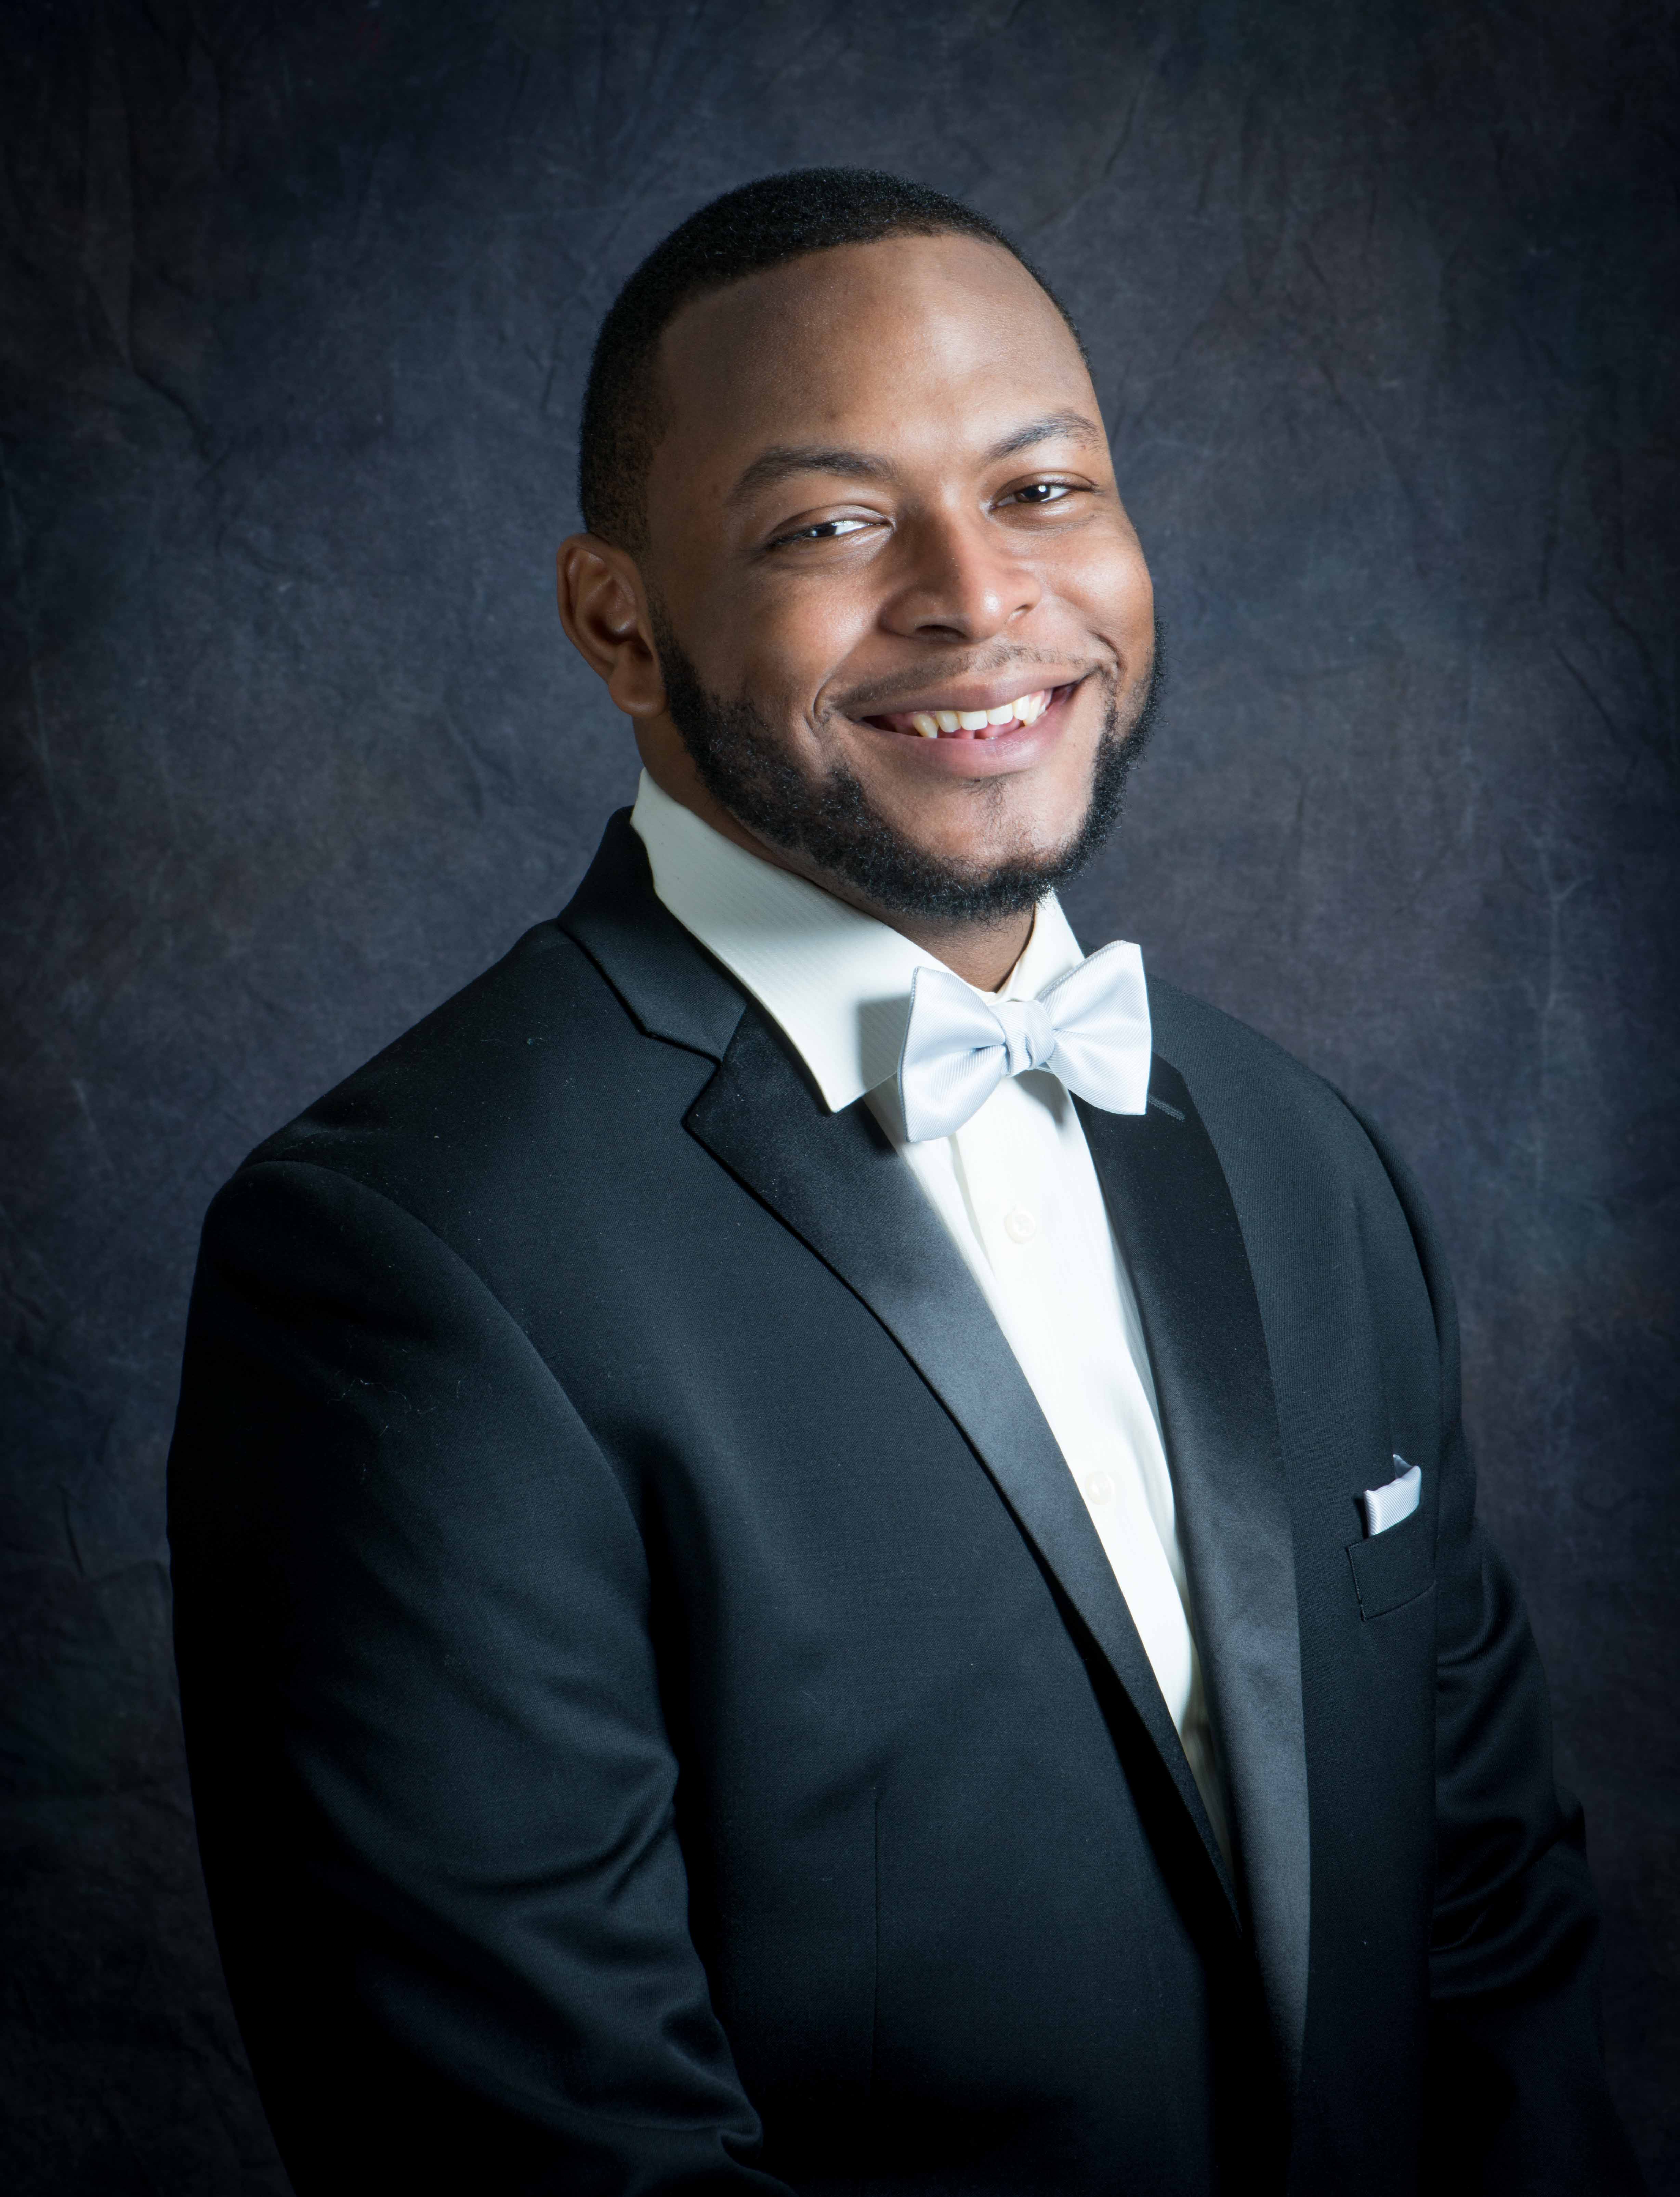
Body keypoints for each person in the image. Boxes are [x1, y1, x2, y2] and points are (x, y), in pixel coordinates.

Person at [167, 169, 1643, 2195]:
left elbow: (1490, 1951)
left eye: (1040, 490)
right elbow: (553, 2157)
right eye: (832, 524)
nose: (977, 593)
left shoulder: (1314, 1160)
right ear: (618, 621)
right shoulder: (399, 1259)